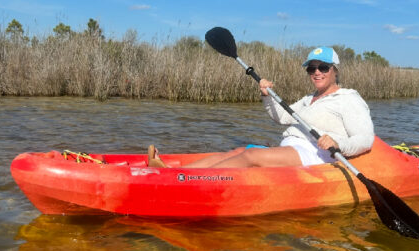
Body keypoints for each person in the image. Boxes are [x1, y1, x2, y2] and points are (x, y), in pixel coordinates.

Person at [148, 46, 374, 168]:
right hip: (292, 147)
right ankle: (173, 173)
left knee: (252, 155)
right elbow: (282, 118)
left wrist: (338, 143)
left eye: (323, 67)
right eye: (311, 69)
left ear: (335, 70)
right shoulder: (308, 98)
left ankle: (184, 181)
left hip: (317, 155)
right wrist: (267, 97)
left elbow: (365, 140)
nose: (316, 72)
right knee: (240, 151)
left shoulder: (349, 99)